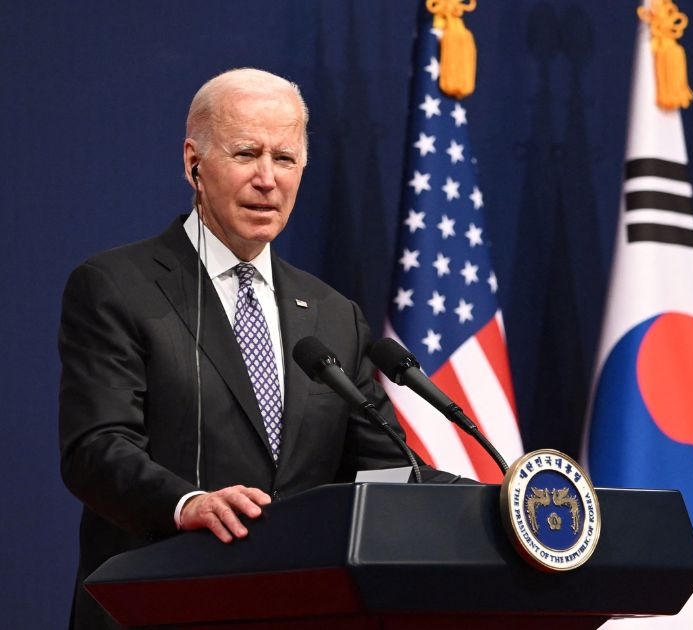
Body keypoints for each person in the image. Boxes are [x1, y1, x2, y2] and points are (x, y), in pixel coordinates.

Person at [58, 68, 455, 629]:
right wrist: (187, 503)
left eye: (286, 159)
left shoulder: (332, 314)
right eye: (247, 154)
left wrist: (505, 501)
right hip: (157, 607)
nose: (268, 179)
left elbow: (384, 469)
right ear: (193, 162)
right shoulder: (117, 287)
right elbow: (95, 450)